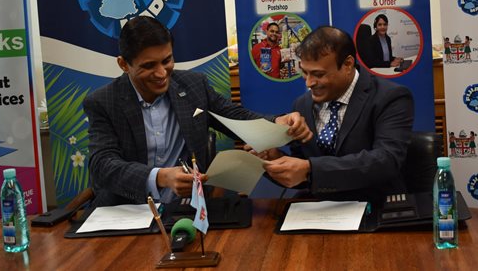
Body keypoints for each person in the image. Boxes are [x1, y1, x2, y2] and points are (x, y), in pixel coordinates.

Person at [85, 16, 312, 206]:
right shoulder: (103, 102)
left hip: (189, 211)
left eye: (167, 60)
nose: (162, 73)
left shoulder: (193, 86)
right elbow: (102, 164)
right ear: (124, 64)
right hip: (128, 213)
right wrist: (160, 177)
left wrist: (279, 121)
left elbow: (236, 117)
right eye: (148, 66)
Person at [258, 26, 414, 203]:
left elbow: (386, 161)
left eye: (318, 74)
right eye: (305, 73)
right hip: (320, 209)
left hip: (376, 207)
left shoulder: (390, 97)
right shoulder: (302, 105)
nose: (309, 83)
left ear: (347, 64)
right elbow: (304, 174)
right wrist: (277, 159)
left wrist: (310, 169)